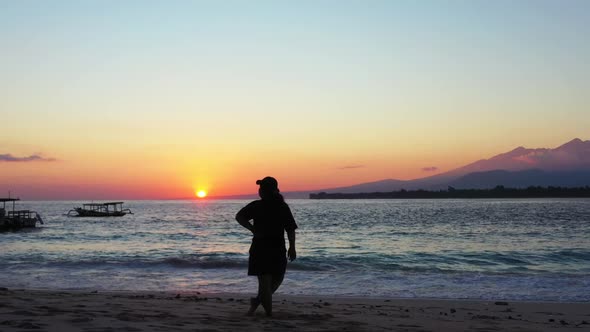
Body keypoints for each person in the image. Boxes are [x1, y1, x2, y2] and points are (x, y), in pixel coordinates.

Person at [235, 176, 297, 317]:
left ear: (268, 191)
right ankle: (268, 314)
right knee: (266, 282)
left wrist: (292, 247)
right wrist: (252, 229)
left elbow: (290, 229)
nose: (260, 191)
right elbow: (239, 216)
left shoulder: (280, 207)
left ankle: (257, 302)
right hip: (264, 248)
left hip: (271, 248)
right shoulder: (260, 205)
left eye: (262, 188)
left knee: (273, 280)